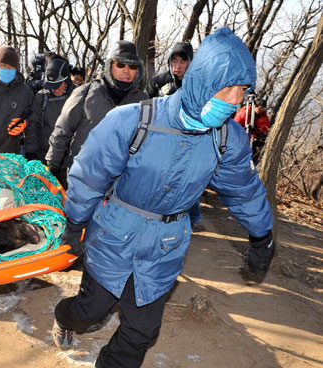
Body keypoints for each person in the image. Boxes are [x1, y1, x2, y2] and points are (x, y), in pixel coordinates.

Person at [50, 27, 275, 368]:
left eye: (241, 90)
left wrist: (262, 235)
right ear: (202, 82)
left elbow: (243, 190)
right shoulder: (133, 120)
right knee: (89, 311)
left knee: (141, 332)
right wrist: (75, 222)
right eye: (226, 87)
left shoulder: (226, 139)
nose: (233, 99)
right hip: (115, 233)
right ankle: (66, 319)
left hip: (165, 244)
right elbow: (89, 174)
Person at [46, 40, 148, 189]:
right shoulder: (85, 93)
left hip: (122, 184)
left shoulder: (143, 103)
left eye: (132, 66)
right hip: (83, 179)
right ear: (110, 65)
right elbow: (62, 131)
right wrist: (52, 167)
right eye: (120, 65)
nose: (126, 71)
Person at [144, 42, 204, 231]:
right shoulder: (158, 81)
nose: (177, 66)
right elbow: (145, 107)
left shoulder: (199, 84)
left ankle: (194, 217)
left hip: (189, 138)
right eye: (174, 61)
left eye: (182, 61)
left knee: (187, 179)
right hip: (161, 138)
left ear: (190, 63)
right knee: (159, 178)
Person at [24, 57, 76, 162]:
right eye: (51, 85)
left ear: (66, 80)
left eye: (58, 85)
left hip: (70, 158)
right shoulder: (41, 97)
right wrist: (30, 152)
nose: (54, 89)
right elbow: (33, 125)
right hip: (44, 156)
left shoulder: (77, 95)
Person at [234, 95, 270, 164]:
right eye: (260, 108)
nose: (262, 110)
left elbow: (265, 127)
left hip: (252, 138)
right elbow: (235, 125)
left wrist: (258, 130)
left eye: (263, 108)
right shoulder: (244, 113)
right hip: (240, 137)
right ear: (256, 106)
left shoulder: (263, 115)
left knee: (253, 154)